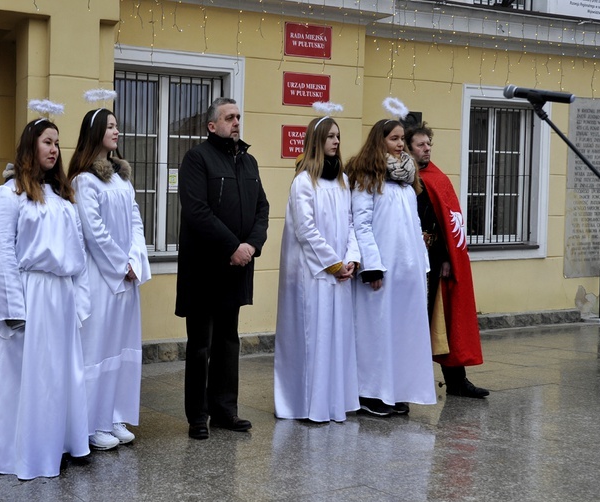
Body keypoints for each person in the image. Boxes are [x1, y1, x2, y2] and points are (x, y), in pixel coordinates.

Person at [0, 118, 91, 479]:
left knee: (60, 374)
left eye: (57, 142)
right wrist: (14, 308)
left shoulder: (63, 198)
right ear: (32, 146)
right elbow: (3, 253)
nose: (54, 149)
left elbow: (80, 255)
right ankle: (28, 450)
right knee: (33, 377)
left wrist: (81, 300)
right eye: (47, 141)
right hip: (31, 294)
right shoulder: (9, 195)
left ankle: (60, 441)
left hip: (61, 297)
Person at [175, 97, 269, 439]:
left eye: (238, 117)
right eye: (229, 118)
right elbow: (197, 211)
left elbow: (262, 209)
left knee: (229, 342)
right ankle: (198, 416)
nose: (236, 123)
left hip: (237, 268)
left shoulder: (249, 162)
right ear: (212, 125)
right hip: (205, 269)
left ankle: (225, 410)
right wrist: (232, 246)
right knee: (201, 344)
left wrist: (251, 246)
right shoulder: (197, 159)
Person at [68, 108, 152, 449]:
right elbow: (93, 231)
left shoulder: (122, 178)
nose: (117, 131)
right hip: (102, 278)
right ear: (95, 133)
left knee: (122, 346)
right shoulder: (84, 180)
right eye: (110, 126)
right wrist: (120, 265)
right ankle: (92, 423)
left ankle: (115, 414)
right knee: (99, 347)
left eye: (118, 125)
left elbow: (135, 222)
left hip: (126, 278)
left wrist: (135, 261)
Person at [346, 118, 436, 417]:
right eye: (394, 139)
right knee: (375, 332)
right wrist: (371, 265)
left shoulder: (407, 180)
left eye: (401, 139)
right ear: (379, 141)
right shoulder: (366, 176)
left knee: (401, 333)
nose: (400, 144)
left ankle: (396, 389)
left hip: (408, 270)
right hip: (382, 271)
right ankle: (369, 393)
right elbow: (361, 223)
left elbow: (412, 224)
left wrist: (421, 262)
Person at [274, 116, 360, 423]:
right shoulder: (303, 181)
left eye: (338, 136)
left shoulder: (343, 181)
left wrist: (351, 259)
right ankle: (307, 403)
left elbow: (351, 223)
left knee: (335, 338)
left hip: (339, 272)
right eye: (330, 137)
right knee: (313, 338)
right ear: (316, 141)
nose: (336, 141)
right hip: (314, 274)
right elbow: (306, 230)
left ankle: (334, 401)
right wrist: (333, 264)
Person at [406, 122, 488, 398]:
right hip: (408, 260)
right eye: (420, 144)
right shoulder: (402, 178)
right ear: (408, 148)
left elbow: (445, 225)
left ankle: (455, 380)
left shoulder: (436, 177)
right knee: (415, 323)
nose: (427, 149)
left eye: (428, 144)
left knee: (444, 319)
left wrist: (446, 257)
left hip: (434, 260)